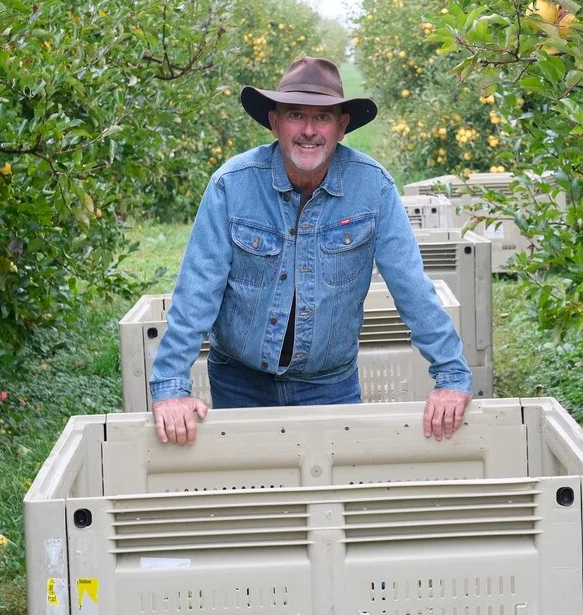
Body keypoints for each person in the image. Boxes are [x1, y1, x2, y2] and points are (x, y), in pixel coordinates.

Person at [149, 57, 473, 445]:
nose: (308, 130)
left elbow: (412, 288)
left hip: (329, 384)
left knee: (337, 494)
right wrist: (171, 387)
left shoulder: (373, 189)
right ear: (274, 122)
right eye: (295, 115)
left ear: (342, 126)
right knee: (252, 494)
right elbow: (197, 291)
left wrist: (451, 375)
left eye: (322, 118)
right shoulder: (232, 186)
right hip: (240, 381)